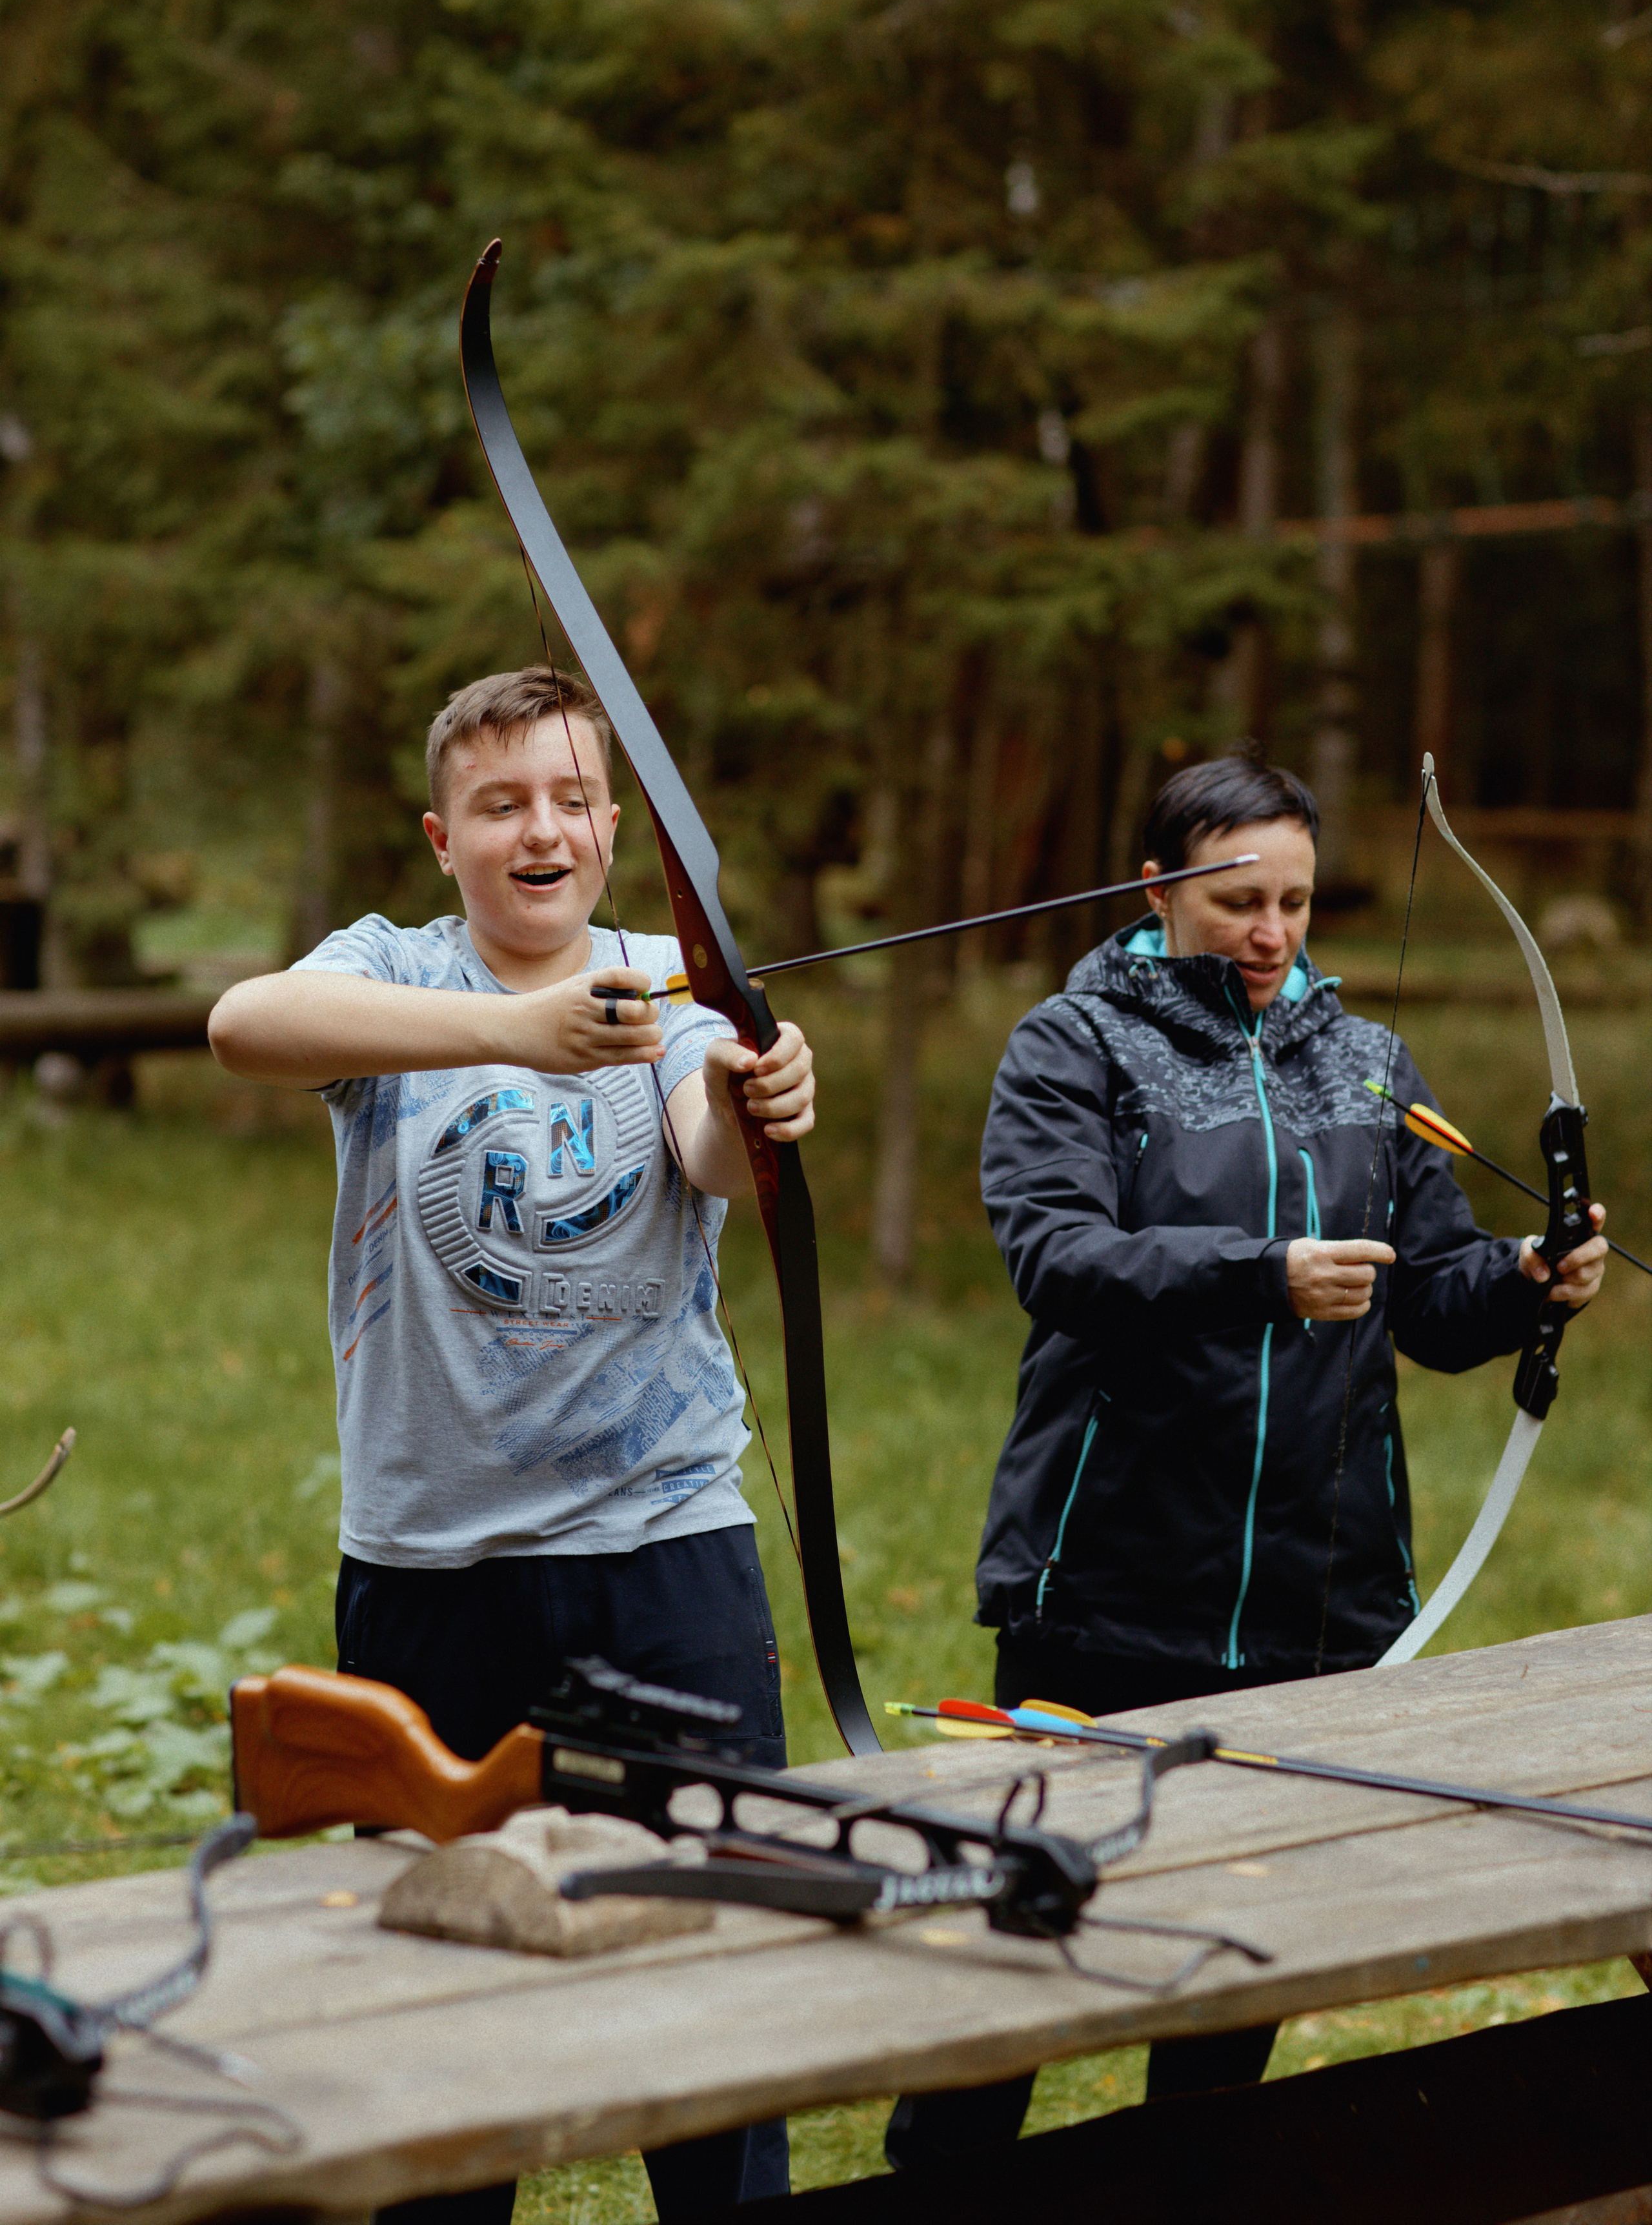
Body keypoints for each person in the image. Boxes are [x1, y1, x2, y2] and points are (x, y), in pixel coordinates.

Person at [885, 745, 1609, 2170]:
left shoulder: (1365, 1062)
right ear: (1157, 889)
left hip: (1312, 1593)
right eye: (1237, 902)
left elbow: (1429, 1298)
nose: (1271, 933)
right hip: (1108, 1582)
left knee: (1236, 1957)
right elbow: (1058, 1257)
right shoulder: (1072, 1045)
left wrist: (1527, 1278)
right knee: (1025, 1947)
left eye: (1294, 902)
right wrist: (1262, 1273)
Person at [209, 664, 815, 2222]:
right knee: (438, 2009)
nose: (539, 830)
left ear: (614, 826)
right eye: (499, 806)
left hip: (663, 1550)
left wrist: (751, 1097)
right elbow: (241, 1024)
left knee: (710, 1986)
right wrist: (517, 1031)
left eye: (569, 799)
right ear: (443, 836)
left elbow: (707, 1153)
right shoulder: (394, 971)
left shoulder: (672, 980)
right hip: (432, 1563)